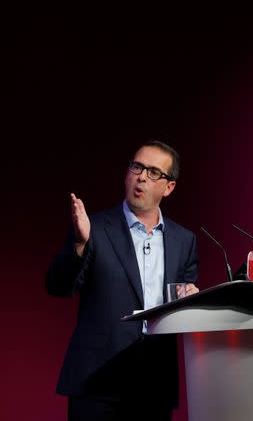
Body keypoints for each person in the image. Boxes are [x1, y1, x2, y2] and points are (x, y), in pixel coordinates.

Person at [46, 140, 199, 421]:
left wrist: (191, 300)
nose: (141, 176)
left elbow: (181, 304)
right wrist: (79, 245)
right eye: (137, 167)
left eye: (154, 172)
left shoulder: (184, 240)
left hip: (154, 385)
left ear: (169, 187)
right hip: (97, 382)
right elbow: (58, 286)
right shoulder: (95, 229)